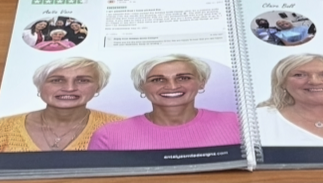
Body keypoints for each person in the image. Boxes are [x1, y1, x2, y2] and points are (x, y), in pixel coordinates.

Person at [88, 56, 241, 150]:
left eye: (183, 78)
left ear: (201, 83)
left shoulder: (237, 122)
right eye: (158, 80)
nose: (172, 86)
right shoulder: (109, 135)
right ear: (142, 87)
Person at [0, 56, 122, 152]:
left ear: (98, 87)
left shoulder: (121, 127)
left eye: (83, 80)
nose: (69, 88)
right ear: (40, 86)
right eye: (56, 80)